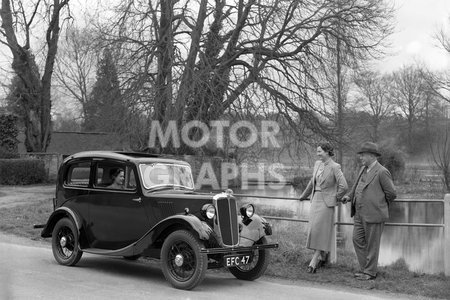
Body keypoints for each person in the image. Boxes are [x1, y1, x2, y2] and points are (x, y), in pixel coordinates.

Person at [341, 142, 396, 281]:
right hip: (358, 213)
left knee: (372, 244)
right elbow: (356, 187)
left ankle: (370, 273)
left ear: (372, 155)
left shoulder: (382, 171)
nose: (360, 157)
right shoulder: (363, 169)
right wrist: (349, 196)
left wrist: (379, 205)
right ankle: (366, 269)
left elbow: (392, 193)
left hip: (374, 214)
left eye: (363, 155)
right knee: (357, 239)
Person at [299, 143, 348, 273]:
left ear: (327, 152)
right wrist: (303, 196)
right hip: (315, 200)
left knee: (321, 231)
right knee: (314, 230)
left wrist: (335, 197)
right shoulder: (317, 164)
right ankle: (322, 256)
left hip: (327, 204)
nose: (317, 154)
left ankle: (314, 261)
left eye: (320, 151)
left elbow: (344, 186)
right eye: (317, 151)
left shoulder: (335, 167)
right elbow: (312, 182)